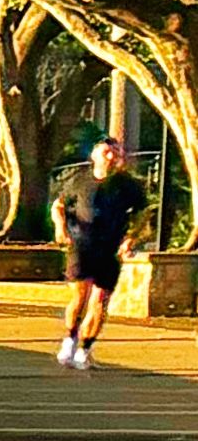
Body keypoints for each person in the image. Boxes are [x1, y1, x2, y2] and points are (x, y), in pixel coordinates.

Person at [55, 135, 147, 369]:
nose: (111, 156)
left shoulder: (128, 185)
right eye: (106, 152)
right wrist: (61, 227)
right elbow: (59, 205)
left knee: (100, 300)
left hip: (110, 248)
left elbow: (143, 214)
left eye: (115, 152)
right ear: (94, 155)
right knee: (79, 297)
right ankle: (70, 338)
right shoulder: (79, 180)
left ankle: (85, 350)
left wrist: (131, 238)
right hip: (81, 245)